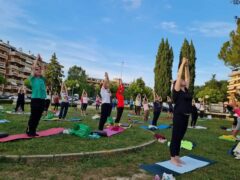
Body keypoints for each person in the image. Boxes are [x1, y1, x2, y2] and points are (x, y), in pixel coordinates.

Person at [170, 57, 192, 166]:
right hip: (179, 115)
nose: (183, 80)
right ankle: (172, 158)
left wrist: (187, 67)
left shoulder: (186, 89)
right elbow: (179, 76)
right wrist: (183, 63)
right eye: (180, 80)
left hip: (186, 116)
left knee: (180, 137)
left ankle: (177, 156)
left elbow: (188, 77)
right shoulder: (177, 90)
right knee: (175, 136)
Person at [26, 55, 46, 136]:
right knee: (33, 116)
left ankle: (33, 131)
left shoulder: (42, 79)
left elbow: (43, 69)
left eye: (39, 70)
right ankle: (29, 131)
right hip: (35, 99)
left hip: (42, 100)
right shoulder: (32, 79)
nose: (39, 71)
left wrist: (41, 62)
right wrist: (36, 59)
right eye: (37, 70)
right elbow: (33, 68)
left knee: (38, 116)